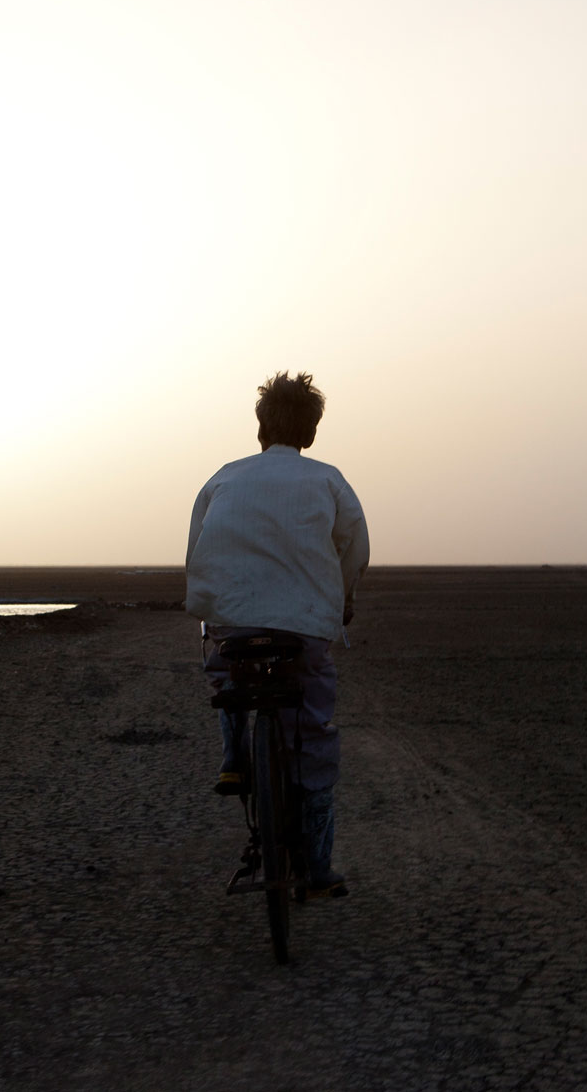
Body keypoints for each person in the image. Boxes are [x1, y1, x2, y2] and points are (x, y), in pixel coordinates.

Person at [185, 371, 369, 899]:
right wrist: (344, 599)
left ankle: (233, 758)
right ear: (310, 433)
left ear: (260, 427)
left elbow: (199, 549)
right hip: (304, 628)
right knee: (314, 735)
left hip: (232, 624)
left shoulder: (222, 478)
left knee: (227, 681)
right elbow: (354, 547)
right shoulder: (328, 479)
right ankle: (317, 870)